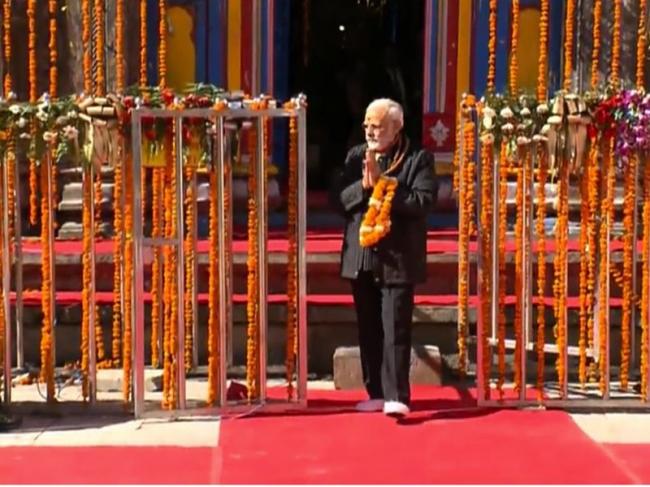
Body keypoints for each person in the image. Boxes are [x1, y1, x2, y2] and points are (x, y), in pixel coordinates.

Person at [330, 98, 437, 417]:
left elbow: (423, 201)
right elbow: (339, 199)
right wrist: (365, 188)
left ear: (396, 126)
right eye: (366, 124)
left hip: (397, 257)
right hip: (362, 255)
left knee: (396, 328)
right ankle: (375, 391)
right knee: (368, 328)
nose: (369, 131)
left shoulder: (418, 159)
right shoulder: (355, 157)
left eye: (376, 125)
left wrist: (384, 185)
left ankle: (397, 395)